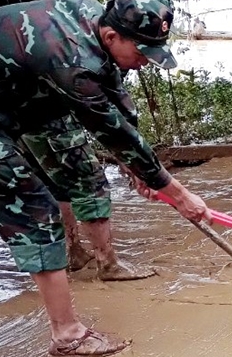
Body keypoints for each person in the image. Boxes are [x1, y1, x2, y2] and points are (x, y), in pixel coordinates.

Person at [0, 0, 211, 357]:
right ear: (112, 37)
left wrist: (137, 166)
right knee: (37, 212)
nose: (144, 63)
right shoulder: (70, 61)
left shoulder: (98, 18)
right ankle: (68, 338)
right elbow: (108, 128)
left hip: (23, 103)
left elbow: (116, 98)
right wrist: (179, 194)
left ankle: (101, 270)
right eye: (142, 53)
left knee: (70, 178)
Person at [21, 113, 157, 281]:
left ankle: (74, 252)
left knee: (57, 183)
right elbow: (98, 109)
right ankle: (108, 264)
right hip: (51, 117)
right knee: (90, 182)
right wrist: (125, 156)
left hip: (19, 124)